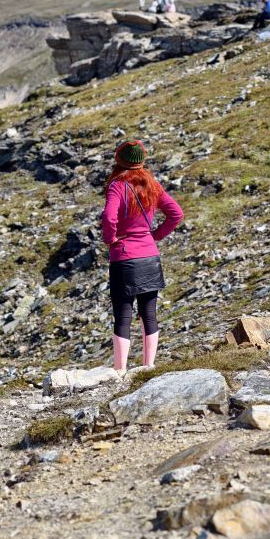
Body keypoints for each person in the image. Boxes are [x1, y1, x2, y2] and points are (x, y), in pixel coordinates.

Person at [100, 139, 183, 372]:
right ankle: (148, 366)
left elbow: (108, 217)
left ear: (119, 161)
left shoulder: (117, 185)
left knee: (123, 316)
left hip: (124, 258)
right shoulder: (152, 184)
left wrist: (110, 239)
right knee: (149, 313)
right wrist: (154, 235)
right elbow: (176, 213)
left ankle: (120, 371)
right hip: (149, 257)